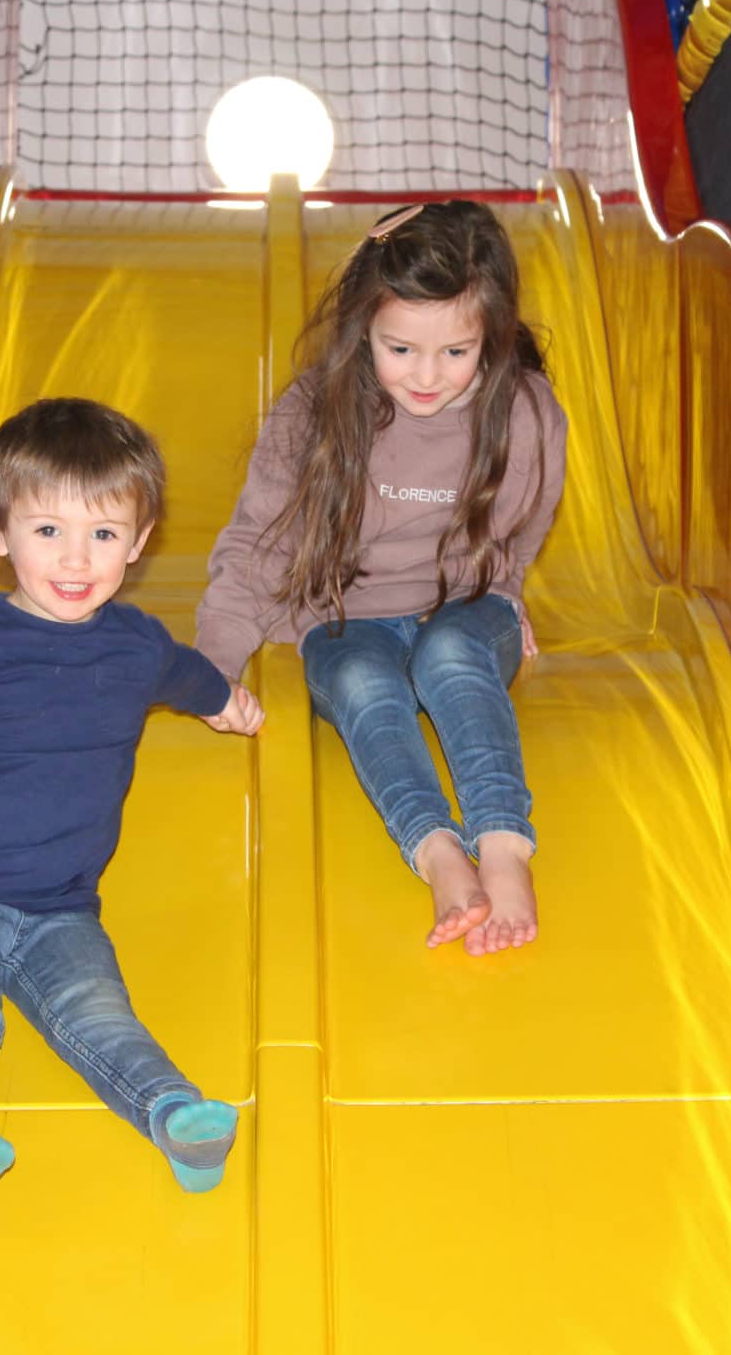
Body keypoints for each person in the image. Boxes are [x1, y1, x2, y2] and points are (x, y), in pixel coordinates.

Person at [0, 397, 265, 1230]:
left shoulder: (133, 645)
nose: (76, 558)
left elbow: (180, 670)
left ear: (138, 544)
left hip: (60, 902)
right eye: (47, 531)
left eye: (103, 535)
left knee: (99, 1012)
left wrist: (224, 702)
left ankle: (179, 1119)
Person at [195, 200, 566, 959]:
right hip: (348, 616)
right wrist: (212, 666)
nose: (426, 375)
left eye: (456, 353)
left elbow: (528, 514)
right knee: (362, 679)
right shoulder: (315, 412)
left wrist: (511, 591)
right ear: (363, 326)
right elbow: (258, 547)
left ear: (491, 339)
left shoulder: (524, 410)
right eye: (400, 349)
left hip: (465, 607)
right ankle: (439, 855)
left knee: (450, 656)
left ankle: (501, 845)